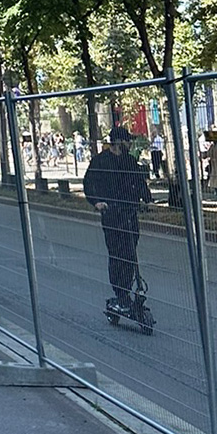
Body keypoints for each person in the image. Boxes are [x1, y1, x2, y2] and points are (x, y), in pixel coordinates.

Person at [83, 125, 153, 317]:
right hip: (112, 214)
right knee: (117, 254)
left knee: (130, 252)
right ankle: (120, 293)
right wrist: (97, 202)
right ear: (118, 142)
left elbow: (139, 182)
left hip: (129, 213)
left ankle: (127, 290)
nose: (130, 144)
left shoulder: (129, 161)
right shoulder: (100, 161)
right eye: (127, 141)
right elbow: (89, 183)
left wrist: (147, 199)